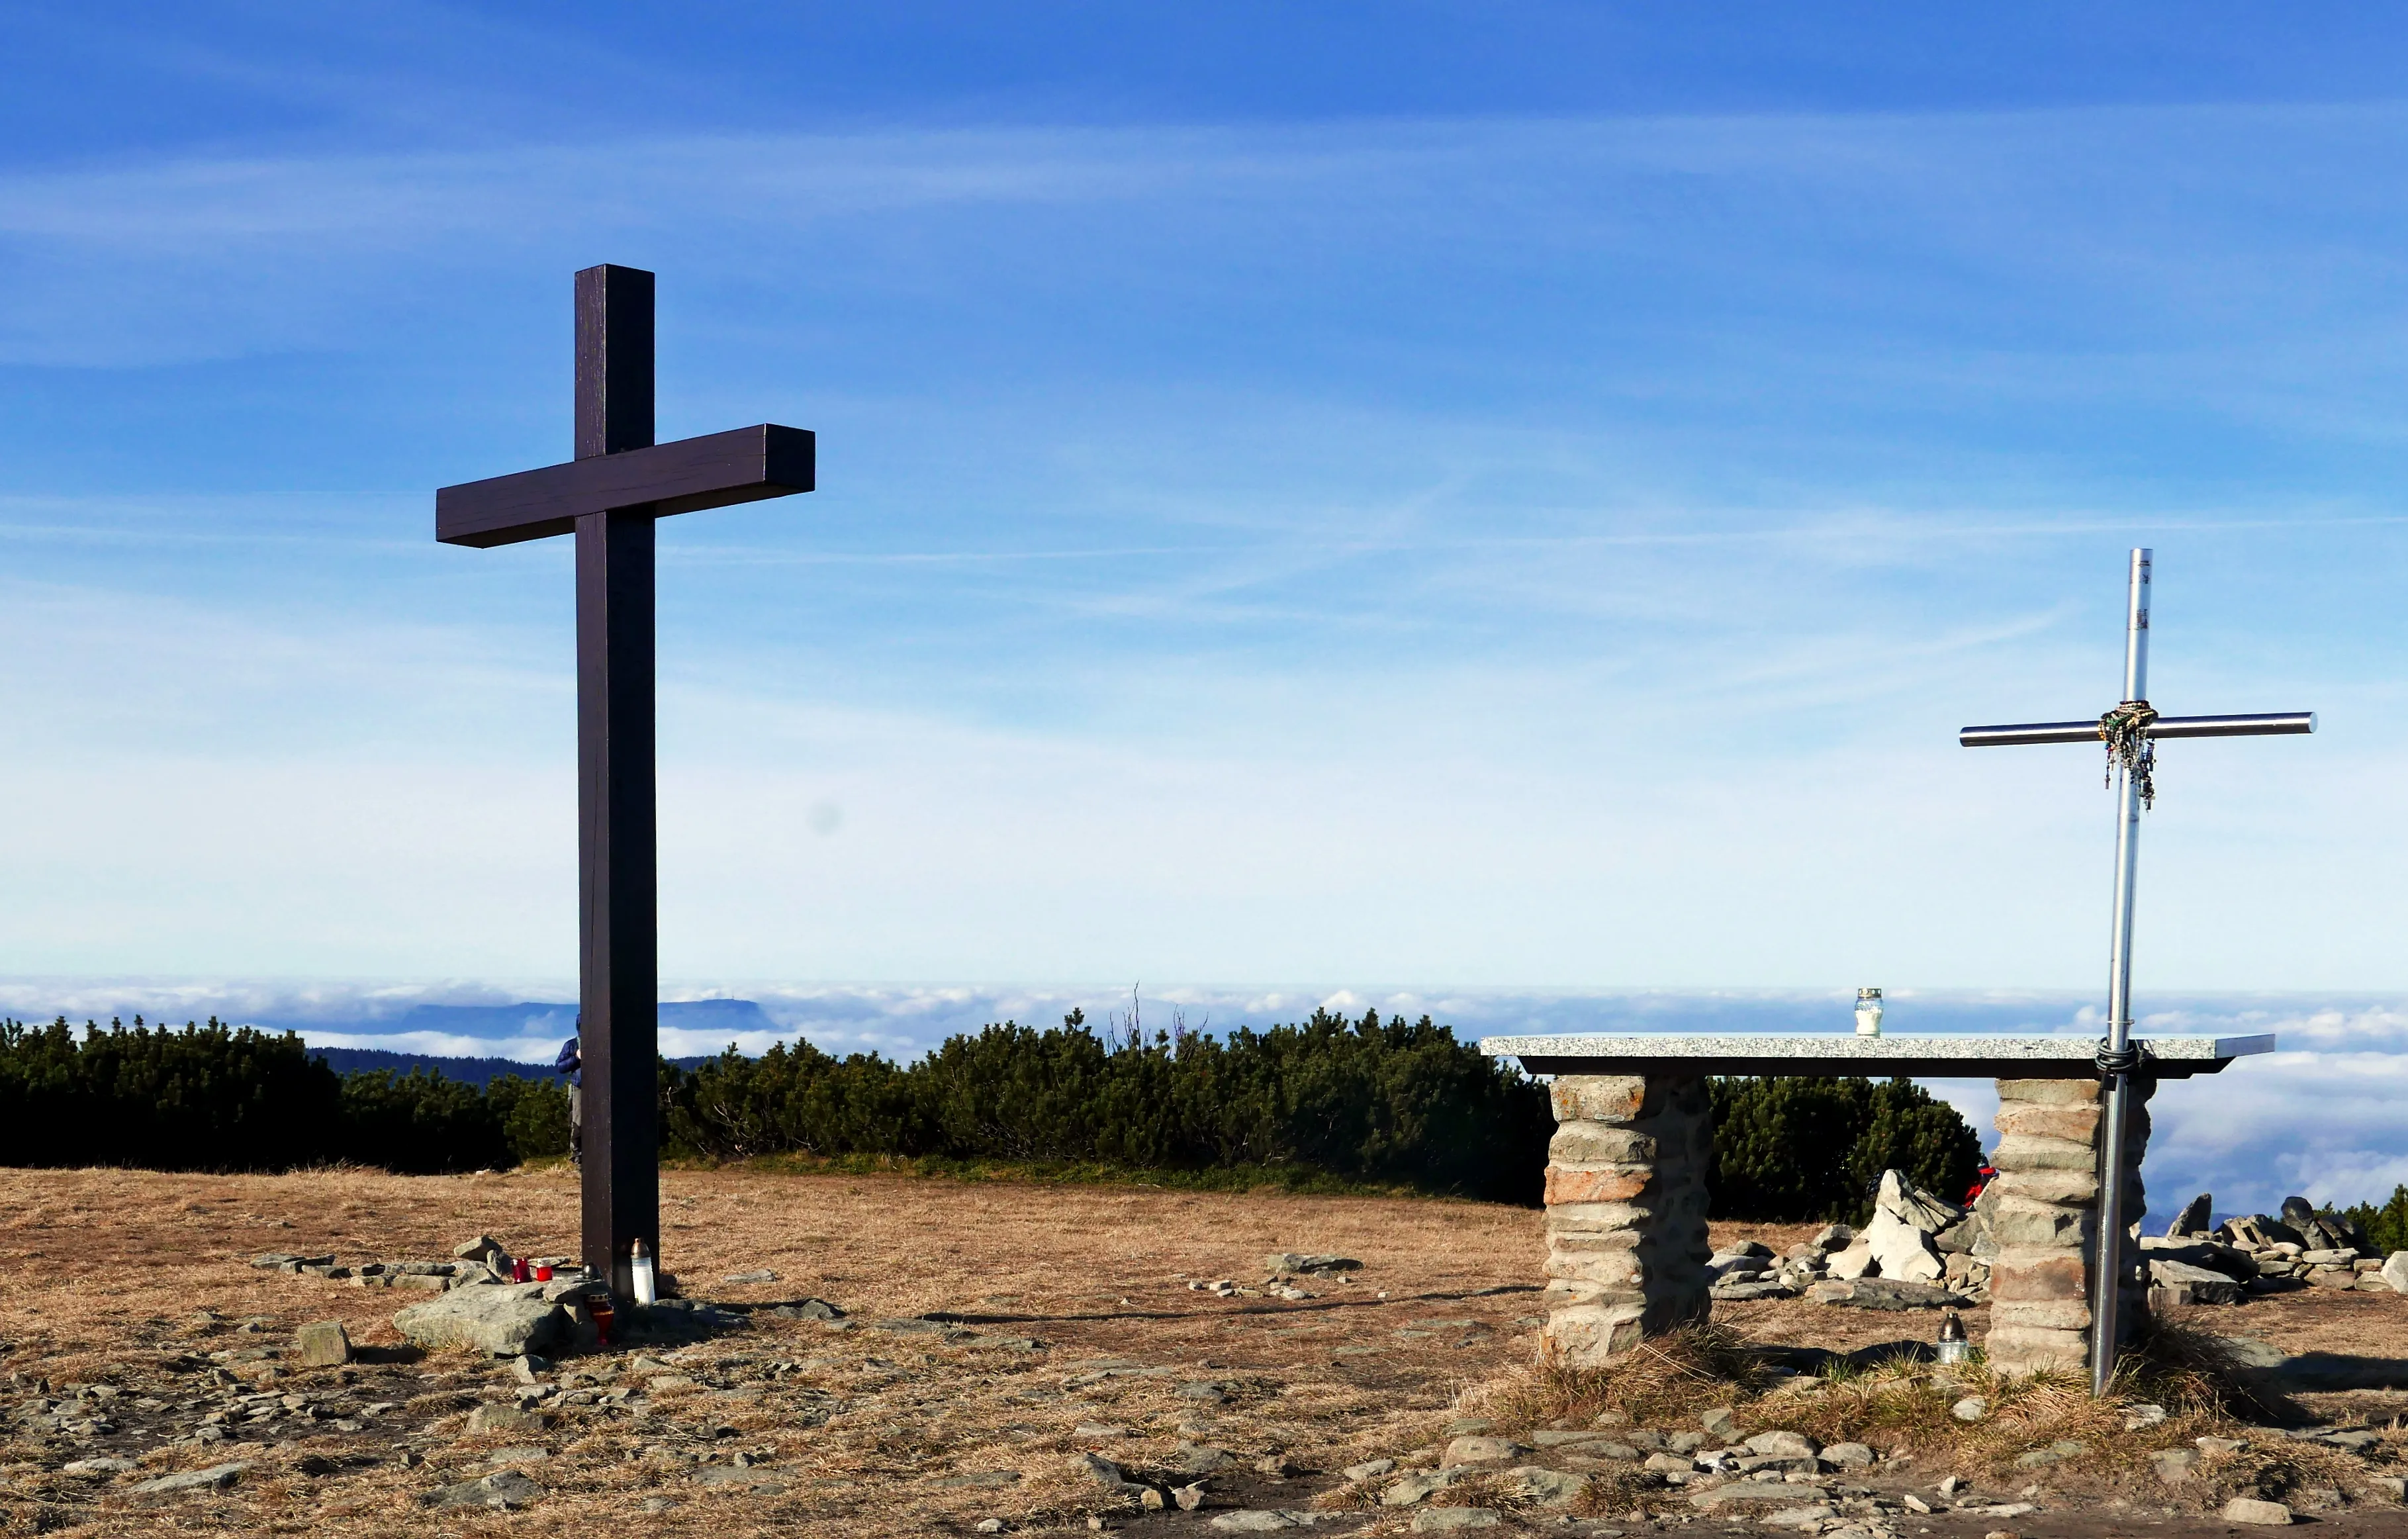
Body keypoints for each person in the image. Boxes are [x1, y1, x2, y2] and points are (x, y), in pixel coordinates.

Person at [556, 1025, 582, 1167]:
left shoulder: (604, 1040)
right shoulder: (572, 1045)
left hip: (602, 1088)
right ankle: (577, 1158)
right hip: (580, 1088)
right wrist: (576, 1057)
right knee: (579, 1123)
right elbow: (560, 1066)